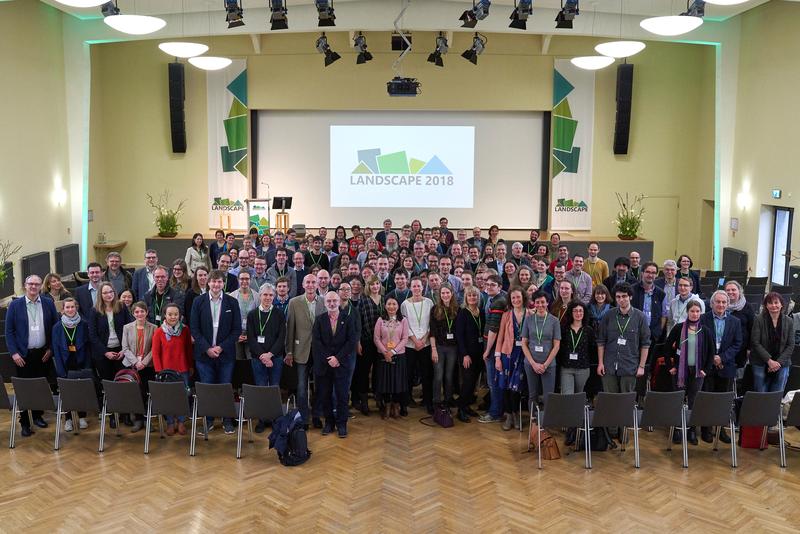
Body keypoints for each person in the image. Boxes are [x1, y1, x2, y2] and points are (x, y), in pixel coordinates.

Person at [189, 269, 242, 434]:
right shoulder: (198, 301)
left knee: (225, 388)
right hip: (204, 355)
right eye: (213, 281)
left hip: (225, 355)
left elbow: (236, 330)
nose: (216, 284)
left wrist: (220, 347)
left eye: (219, 281)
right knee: (207, 389)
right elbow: (194, 329)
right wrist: (207, 348)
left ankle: (227, 421)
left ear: (223, 283)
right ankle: (209, 420)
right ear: (208, 283)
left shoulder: (232, 302)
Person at [6, 275, 59, 436]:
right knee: (24, 389)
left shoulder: (48, 303)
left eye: (37, 284)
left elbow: (55, 328)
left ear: (41, 286)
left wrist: (51, 349)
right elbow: (9, 332)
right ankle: (24, 422)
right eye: (31, 284)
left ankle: (37, 415)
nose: (34, 287)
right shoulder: (15, 305)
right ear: (25, 285)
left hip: (43, 353)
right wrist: (14, 353)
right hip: (23, 355)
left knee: (40, 387)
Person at [665, 300, 714, 445]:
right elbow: (667, 348)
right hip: (680, 371)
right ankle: (677, 429)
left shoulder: (705, 330)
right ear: (687, 312)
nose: (695, 314)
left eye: (697, 311)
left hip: (698, 372)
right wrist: (670, 366)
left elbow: (711, 353)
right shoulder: (678, 328)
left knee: (694, 401)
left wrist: (706, 369)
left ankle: (691, 430)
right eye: (692, 311)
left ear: (701, 313)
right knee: (678, 400)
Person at [312, 291, 359, 438]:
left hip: (342, 364)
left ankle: (342, 424)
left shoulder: (348, 318)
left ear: (339, 302)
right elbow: (317, 342)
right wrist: (329, 358)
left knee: (342, 395)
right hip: (324, 365)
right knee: (325, 395)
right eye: (329, 301)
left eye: (334, 301)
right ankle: (329, 423)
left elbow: (351, 341)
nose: (332, 304)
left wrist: (337, 358)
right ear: (325, 303)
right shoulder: (319, 320)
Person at [699, 290, 742, 444]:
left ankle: (720, 428)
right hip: (707, 366)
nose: (721, 305)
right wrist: (712, 358)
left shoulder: (735, 322)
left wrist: (722, 357)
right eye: (718, 302)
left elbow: (738, 344)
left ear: (727, 304)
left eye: (724, 302)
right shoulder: (703, 319)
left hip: (726, 366)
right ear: (712, 303)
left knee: (723, 400)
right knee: (707, 398)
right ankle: (706, 429)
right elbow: (699, 342)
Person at [88, 280, 133, 426]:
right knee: (108, 385)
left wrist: (123, 350)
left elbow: (129, 329)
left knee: (122, 384)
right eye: (105, 292)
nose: (109, 295)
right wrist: (105, 352)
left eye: (111, 292)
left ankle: (125, 414)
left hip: (121, 351)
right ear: (100, 295)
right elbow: (93, 336)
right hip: (103, 354)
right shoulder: (94, 311)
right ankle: (113, 415)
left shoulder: (122, 307)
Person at [284, 274, 325, 426]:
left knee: (320, 386)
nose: (310, 285)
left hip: (320, 352)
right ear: (303, 284)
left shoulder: (323, 301)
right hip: (301, 351)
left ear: (317, 284)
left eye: (313, 282)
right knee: (301, 388)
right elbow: (290, 328)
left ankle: (316, 416)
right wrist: (289, 351)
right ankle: (303, 418)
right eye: (307, 282)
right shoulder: (294, 302)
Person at [596, 283, 651, 396]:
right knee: (610, 400)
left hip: (629, 366)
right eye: (618, 297)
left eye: (624, 296)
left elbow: (645, 344)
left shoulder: (640, 317)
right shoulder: (608, 315)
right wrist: (600, 363)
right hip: (609, 366)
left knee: (626, 401)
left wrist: (641, 366)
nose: (621, 299)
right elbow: (601, 341)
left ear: (630, 297)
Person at [246, 283, 287, 433]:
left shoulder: (279, 314)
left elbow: (281, 337)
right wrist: (263, 356)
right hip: (258, 358)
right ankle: (263, 419)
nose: (268, 298)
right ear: (260, 296)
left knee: (274, 388)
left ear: (274, 296)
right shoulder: (252, 315)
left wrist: (270, 355)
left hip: (275, 358)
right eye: (265, 295)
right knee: (261, 388)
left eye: (271, 295)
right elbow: (251, 338)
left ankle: (275, 419)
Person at [152, 302, 193, 436]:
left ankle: (181, 422)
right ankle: (170, 422)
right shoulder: (159, 332)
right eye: (170, 314)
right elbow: (155, 353)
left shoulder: (185, 330)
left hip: (183, 370)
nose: (173, 317)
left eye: (176, 314)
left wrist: (190, 366)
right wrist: (159, 371)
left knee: (183, 397)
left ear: (179, 315)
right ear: (165, 315)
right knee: (168, 398)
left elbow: (188, 349)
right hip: (166, 372)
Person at [493, 287, 530, 431]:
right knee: (507, 387)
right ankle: (509, 415)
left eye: (518, 297)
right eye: (513, 298)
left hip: (523, 355)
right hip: (507, 354)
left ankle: (516, 414)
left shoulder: (530, 314)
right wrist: (497, 358)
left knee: (517, 388)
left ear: (523, 297)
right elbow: (500, 336)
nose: (516, 300)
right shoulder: (506, 315)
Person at [52, 297, 91, 431]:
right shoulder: (57, 327)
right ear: (63, 310)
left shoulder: (84, 324)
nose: (70, 309)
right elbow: (56, 350)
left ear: (76, 308)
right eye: (67, 307)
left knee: (81, 390)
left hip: (80, 362)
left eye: (72, 307)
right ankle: (68, 418)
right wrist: (60, 369)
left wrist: (87, 366)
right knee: (66, 391)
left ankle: (81, 417)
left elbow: (87, 347)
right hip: (65, 363)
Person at [520, 291, 561, 416]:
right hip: (530, 363)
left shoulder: (554, 321)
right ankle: (534, 421)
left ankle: (546, 422)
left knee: (548, 395)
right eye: (537, 302)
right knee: (532, 394)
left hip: (549, 365)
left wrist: (545, 365)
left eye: (543, 302)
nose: (540, 305)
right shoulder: (528, 320)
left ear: (547, 303)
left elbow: (557, 345)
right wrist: (533, 364)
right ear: (534, 303)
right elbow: (524, 343)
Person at [120, 301, 157, 432]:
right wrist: (136, 362)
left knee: (147, 393)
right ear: (133, 313)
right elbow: (125, 348)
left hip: (148, 366)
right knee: (135, 394)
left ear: (147, 312)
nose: (139, 314)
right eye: (136, 311)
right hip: (132, 366)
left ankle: (148, 420)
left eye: (142, 311)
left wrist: (144, 362)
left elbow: (155, 349)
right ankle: (138, 419)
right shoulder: (127, 327)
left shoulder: (154, 327)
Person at [400, 277, 435, 414]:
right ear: (410, 288)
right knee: (408, 373)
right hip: (410, 345)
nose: (416, 289)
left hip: (425, 344)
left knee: (427, 373)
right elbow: (404, 325)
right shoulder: (405, 304)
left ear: (422, 287)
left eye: (418, 286)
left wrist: (423, 339)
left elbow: (431, 323)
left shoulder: (429, 302)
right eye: (414, 286)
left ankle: (428, 400)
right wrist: (415, 340)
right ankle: (407, 398)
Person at [750, 292, 795, 393]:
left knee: (777, 393)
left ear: (781, 304)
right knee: (760, 392)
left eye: (776, 302)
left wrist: (778, 362)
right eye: (770, 303)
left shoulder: (789, 321)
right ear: (766, 305)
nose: (773, 305)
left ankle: (773, 408)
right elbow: (755, 342)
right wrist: (769, 361)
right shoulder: (758, 319)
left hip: (782, 361)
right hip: (760, 360)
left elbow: (791, 344)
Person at [373, 296, 410, 419]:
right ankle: (387, 406)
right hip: (383, 356)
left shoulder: (403, 320)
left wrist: (393, 351)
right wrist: (385, 352)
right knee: (385, 383)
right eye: (389, 304)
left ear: (398, 306)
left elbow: (405, 339)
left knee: (397, 383)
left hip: (398, 356)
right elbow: (376, 338)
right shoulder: (380, 320)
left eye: (394, 304)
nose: (391, 306)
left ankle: (396, 406)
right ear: (385, 306)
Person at [478, 274, 507, 423]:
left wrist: (487, 350)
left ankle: (495, 413)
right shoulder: (498, 298)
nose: (488, 287)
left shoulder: (498, 302)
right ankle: (497, 410)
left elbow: (493, 330)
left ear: (500, 287)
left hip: (494, 347)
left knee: (493, 382)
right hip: (495, 346)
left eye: (492, 285)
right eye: (487, 284)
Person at [455, 286, 485, 423]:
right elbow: (459, 336)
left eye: (475, 295)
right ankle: (460, 409)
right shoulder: (462, 313)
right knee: (467, 382)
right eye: (470, 296)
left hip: (479, 353)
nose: (472, 298)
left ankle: (466, 406)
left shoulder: (481, 312)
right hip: (467, 354)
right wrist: (465, 355)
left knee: (473, 383)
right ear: (466, 298)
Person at [354, 275, 384, 415]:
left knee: (379, 370)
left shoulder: (384, 300)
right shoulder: (363, 300)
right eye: (372, 284)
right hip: (366, 341)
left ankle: (379, 398)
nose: (375, 286)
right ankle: (364, 401)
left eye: (377, 284)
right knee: (364, 372)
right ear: (368, 286)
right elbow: (358, 323)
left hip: (382, 342)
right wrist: (358, 342)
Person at [429, 283, 459, 411]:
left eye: (448, 293)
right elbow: (432, 331)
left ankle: (448, 399)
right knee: (438, 375)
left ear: (452, 294)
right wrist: (434, 350)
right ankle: (436, 401)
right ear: (439, 295)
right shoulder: (435, 309)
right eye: (443, 293)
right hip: (439, 347)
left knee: (449, 375)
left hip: (453, 347)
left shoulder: (458, 309)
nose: (445, 295)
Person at [632, 261, 667, 344]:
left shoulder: (661, 293)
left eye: (653, 273)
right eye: (648, 272)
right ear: (642, 273)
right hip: (634, 333)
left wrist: (658, 332)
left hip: (652, 335)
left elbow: (663, 315)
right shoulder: (632, 290)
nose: (650, 275)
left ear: (656, 275)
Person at [724, 280, 755, 369]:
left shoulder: (747, 307)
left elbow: (752, 328)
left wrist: (750, 348)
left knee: (737, 374)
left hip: (741, 348)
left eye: (733, 290)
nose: (730, 292)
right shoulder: (720, 305)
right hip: (723, 348)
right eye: (728, 290)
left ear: (739, 291)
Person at [230, 271, 257, 360]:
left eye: (247, 279)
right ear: (238, 280)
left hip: (252, 334)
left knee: (251, 360)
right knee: (238, 361)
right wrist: (236, 335)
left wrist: (251, 335)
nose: (244, 281)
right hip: (237, 334)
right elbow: (229, 319)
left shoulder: (257, 296)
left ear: (250, 280)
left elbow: (259, 318)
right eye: (242, 279)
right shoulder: (232, 296)